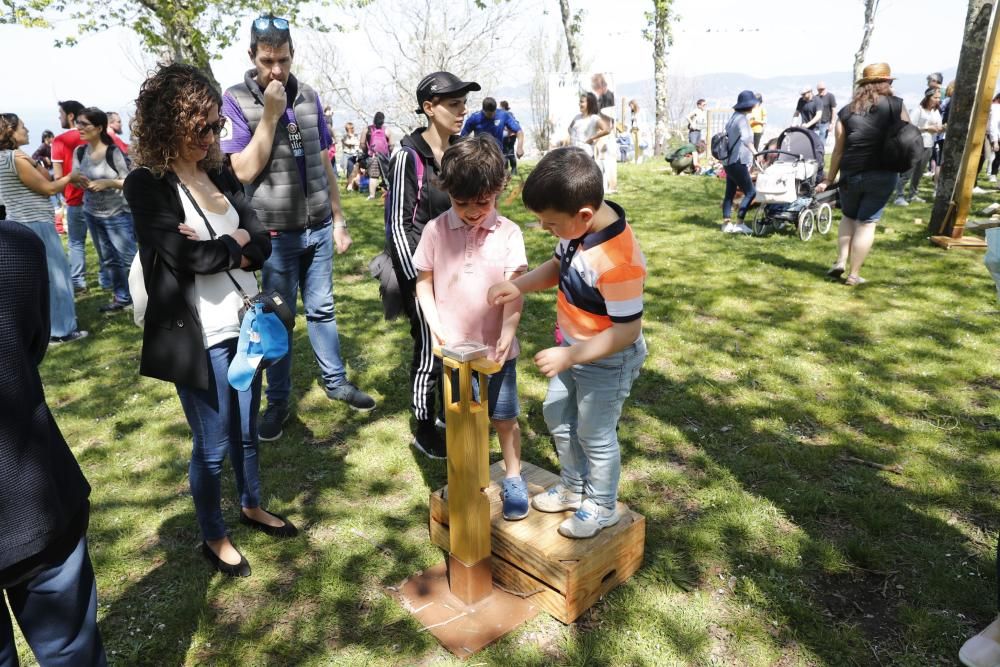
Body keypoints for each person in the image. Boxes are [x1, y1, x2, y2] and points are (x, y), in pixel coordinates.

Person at [124, 62, 298, 578]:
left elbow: (262, 241)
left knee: (246, 429)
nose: (211, 136)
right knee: (214, 442)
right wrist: (233, 244)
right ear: (167, 124)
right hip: (197, 334)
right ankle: (213, 534)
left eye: (215, 125)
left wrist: (231, 244)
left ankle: (250, 504)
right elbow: (186, 259)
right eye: (200, 127)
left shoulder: (219, 171)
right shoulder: (146, 184)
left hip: (244, 323)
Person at [222, 14, 376, 441]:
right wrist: (270, 115)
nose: (276, 70)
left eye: (283, 60)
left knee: (323, 309)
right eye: (268, 60)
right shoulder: (234, 100)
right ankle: (278, 404)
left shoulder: (308, 95)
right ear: (252, 56)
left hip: (319, 228)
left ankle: (335, 382)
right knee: (278, 319)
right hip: (274, 234)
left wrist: (339, 218)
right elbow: (242, 171)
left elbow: (324, 160)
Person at [486, 146, 647, 539]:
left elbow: (626, 330)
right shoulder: (579, 233)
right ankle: (574, 488)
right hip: (574, 352)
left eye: (550, 223)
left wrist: (570, 354)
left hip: (608, 359)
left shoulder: (617, 261)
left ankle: (601, 504)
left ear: (584, 215)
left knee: (595, 434)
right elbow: (559, 267)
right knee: (558, 417)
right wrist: (517, 285)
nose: (545, 229)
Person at [0, 218, 107, 666]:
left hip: (31, 495)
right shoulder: (15, 246)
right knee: (72, 652)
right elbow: (32, 344)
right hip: (31, 491)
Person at [412, 135, 529, 519]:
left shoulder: (509, 233)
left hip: (496, 353)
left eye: (483, 201)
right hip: (454, 353)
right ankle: (468, 480)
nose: (474, 212)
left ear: (498, 190)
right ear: (447, 191)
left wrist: (507, 334)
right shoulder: (434, 231)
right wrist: (435, 327)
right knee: (462, 422)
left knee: (503, 418)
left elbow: (515, 292)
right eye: (462, 203)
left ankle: (513, 477)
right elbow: (423, 283)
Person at [384, 70, 481, 458]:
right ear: (429, 108)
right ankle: (424, 426)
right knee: (429, 345)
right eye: (454, 104)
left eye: (464, 104)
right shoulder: (407, 156)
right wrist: (417, 283)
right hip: (420, 274)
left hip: (458, 273)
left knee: (458, 341)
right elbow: (397, 226)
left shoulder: (460, 151)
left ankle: (450, 413)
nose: (462, 112)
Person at [0, 113, 88, 344]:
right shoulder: (16, 158)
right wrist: (70, 176)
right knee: (56, 276)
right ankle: (62, 331)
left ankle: (43, 330)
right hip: (36, 224)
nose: (27, 129)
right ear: (10, 131)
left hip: (17, 223)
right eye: (22, 126)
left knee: (35, 281)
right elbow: (48, 189)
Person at [815, 63, 906, 287]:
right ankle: (854, 274)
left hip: (850, 172)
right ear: (885, 83)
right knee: (866, 223)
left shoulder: (846, 111)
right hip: (882, 172)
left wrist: (829, 178)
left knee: (848, 216)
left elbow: (838, 149)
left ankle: (840, 261)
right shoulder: (896, 106)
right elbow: (906, 136)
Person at [72, 107, 137, 314]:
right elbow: (75, 175)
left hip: (117, 214)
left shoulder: (113, 151)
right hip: (91, 213)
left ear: (99, 127)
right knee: (109, 260)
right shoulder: (80, 151)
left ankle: (146, 297)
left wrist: (107, 182)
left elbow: (128, 181)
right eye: (78, 123)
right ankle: (122, 298)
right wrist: (80, 182)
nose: (79, 128)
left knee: (129, 259)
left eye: (84, 124)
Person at [52, 99, 110, 293]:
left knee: (76, 243)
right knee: (102, 242)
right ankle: (107, 280)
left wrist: (65, 194)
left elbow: (59, 176)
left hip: (75, 200)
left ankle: (78, 282)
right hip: (100, 198)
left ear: (70, 116)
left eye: (60, 113)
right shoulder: (97, 135)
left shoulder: (59, 141)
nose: (59, 117)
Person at [893, 88, 944, 206]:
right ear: (928, 97)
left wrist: (940, 128)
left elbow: (938, 125)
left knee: (919, 172)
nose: (937, 100)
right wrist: (927, 128)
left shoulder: (936, 111)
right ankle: (899, 195)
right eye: (935, 98)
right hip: (915, 144)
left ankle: (913, 194)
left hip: (929, 144)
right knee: (908, 172)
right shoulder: (918, 110)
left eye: (939, 98)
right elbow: (909, 127)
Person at [720, 90, 758, 235]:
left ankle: (726, 224)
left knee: (729, 193)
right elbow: (747, 139)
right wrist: (756, 154)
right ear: (749, 105)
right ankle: (740, 223)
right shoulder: (742, 119)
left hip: (728, 161)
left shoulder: (733, 118)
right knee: (751, 192)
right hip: (738, 160)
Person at [461, 97, 525, 162]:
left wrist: (520, 147)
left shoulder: (503, 115)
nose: (492, 116)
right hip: (480, 155)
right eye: (489, 114)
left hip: (497, 154)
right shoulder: (474, 118)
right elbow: (463, 137)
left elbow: (519, 131)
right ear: (483, 110)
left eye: (493, 113)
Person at [360, 111, 391, 200]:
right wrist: (388, 152)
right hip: (384, 156)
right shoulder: (387, 130)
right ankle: (388, 194)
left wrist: (367, 152)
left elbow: (362, 143)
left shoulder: (367, 129)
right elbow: (391, 145)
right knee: (386, 175)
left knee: (373, 176)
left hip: (373, 156)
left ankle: (372, 195)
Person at [498, 101, 520, 174]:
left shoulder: (505, 114)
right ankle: (511, 170)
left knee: (506, 153)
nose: (499, 108)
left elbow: (513, 125)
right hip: (511, 136)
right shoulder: (510, 114)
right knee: (509, 152)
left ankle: (509, 170)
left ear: (503, 107)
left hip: (509, 136)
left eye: (500, 106)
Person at [341, 121, 362, 191]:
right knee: (350, 171)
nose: (351, 130)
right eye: (349, 128)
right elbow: (347, 143)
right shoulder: (344, 137)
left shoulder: (356, 136)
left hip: (356, 154)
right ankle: (349, 185)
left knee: (356, 171)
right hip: (347, 155)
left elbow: (358, 143)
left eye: (352, 128)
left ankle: (355, 185)